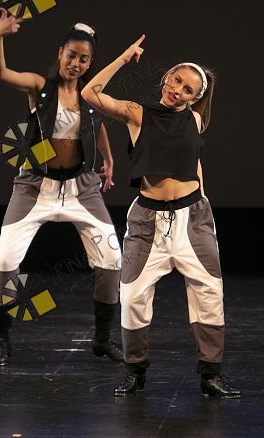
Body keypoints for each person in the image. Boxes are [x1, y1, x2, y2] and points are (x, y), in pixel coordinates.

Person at [81, 35, 240, 398]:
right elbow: (90, 93)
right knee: (133, 296)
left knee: (209, 293)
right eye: (176, 80)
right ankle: (135, 372)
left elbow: (194, 162)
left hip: (192, 218)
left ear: (194, 98)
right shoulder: (138, 114)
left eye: (187, 89)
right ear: (167, 77)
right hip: (147, 222)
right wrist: (123, 58)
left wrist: (202, 202)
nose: (177, 90)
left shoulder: (195, 119)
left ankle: (211, 374)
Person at [0, 8, 123, 366]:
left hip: (81, 188)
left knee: (112, 258)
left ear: (90, 62)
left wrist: (108, 159)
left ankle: (102, 339)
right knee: (5, 261)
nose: (75, 63)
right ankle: (2, 336)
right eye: (71, 55)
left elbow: (98, 126)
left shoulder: (90, 95)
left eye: (84, 59)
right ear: (60, 53)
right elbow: (1, 73)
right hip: (35, 187)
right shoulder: (40, 87)